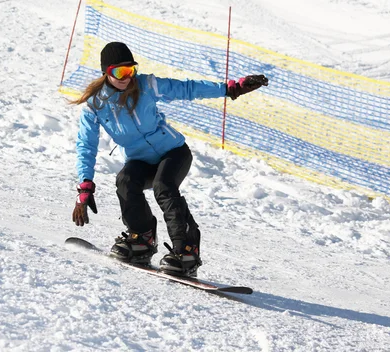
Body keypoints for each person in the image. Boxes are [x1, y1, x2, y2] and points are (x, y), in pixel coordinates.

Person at [70, 41, 268, 277]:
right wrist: (85, 185)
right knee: (125, 180)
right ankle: (141, 238)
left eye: (130, 70)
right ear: (106, 72)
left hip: (173, 152)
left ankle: (187, 249)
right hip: (140, 159)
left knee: (164, 186)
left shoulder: (146, 85)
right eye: (118, 71)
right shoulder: (95, 106)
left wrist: (230, 89)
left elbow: (187, 89)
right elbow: (86, 145)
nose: (126, 77)